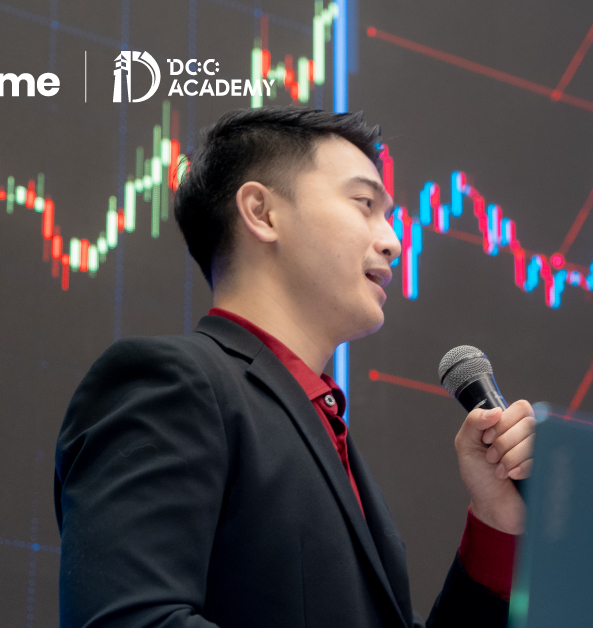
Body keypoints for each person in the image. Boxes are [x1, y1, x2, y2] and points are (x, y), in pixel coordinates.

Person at [54, 106, 537, 628]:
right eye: (364, 204)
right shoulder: (169, 383)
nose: (393, 242)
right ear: (261, 212)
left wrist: (495, 519)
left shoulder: (324, 429)